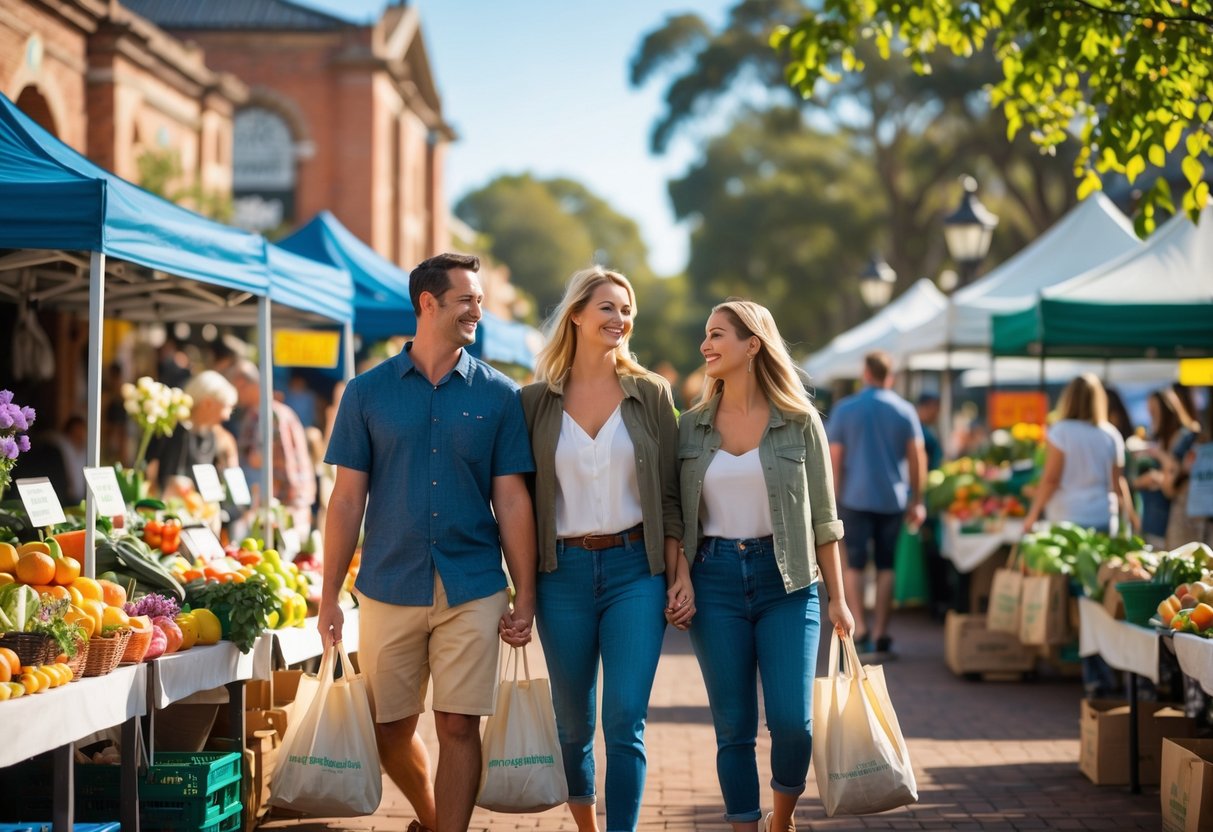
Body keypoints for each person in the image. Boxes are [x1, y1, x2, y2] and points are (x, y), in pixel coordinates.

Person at [318, 252, 537, 832]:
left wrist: (526, 592)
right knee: (389, 728)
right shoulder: (366, 394)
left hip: (472, 584)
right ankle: (435, 820)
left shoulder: (501, 396)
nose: (477, 310)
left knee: (459, 725)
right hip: (389, 582)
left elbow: (513, 500)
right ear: (428, 303)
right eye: (466, 299)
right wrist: (327, 595)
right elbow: (345, 501)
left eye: (480, 300)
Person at [520, 266, 690, 832]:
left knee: (625, 719)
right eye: (609, 308)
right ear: (576, 315)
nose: (621, 320)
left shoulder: (650, 394)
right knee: (571, 722)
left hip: (633, 573)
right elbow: (516, 502)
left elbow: (671, 495)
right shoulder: (534, 402)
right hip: (560, 573)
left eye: (627, 310)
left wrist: (676, 575)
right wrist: (520, 589)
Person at [679, 300, 852, 832]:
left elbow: (826, 519)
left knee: (792, 723)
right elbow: (671, 515)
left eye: (717, 335)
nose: (706, 345)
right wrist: (679, 576)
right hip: (714, 581)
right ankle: (743, 826)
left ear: (752, 344)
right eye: (706, 336)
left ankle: (783, 817)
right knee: (733, 726)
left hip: (789, 583)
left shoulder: (800, 425)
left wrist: (838, 600)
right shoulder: (689, 428)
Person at [827, 351, 925, 657]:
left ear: (865, 373)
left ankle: (861, 631)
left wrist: (831, 501)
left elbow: (835, 459)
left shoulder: (846, 409)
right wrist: (918, 500)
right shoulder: (905, 410)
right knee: (886, 566)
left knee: (853, 565)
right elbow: (916, 458)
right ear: (889, 375)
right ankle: (882, 632)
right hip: (892, 499)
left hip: (853, 498)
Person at [1022, 373, 1138, 537]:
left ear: (1068, 398)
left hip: (1067, 517)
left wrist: (1032, 515)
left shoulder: (1060, 431)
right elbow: (1118, 482)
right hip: (1102, 516)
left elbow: (1051, 479)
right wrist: (1130, 516)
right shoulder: (1111, 434)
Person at [228, 360, 316, 536]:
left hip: (281, 504)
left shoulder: (265, 415)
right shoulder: (281, 410)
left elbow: (259, 459)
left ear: (241, 384)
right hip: (294, 500)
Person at [146, 371, 239, 498]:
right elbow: (150, 473)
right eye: (225, 407)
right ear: (207, 404)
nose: (227, 416)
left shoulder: (213, 437)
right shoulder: (170, 429)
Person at [1134, 388, 1198, 548]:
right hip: (1152, 518)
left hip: (1175, 519)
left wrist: (1157, 454)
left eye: (1154, 411)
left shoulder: (1186, 437)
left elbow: (1175, 479)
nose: (1151, 416)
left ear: (1167, 410)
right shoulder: (1155, 438)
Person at [916, 394, 949, 618]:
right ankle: (936, 602)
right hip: (926, 500)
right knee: (932, 555)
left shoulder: (922, 429)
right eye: (936, 408)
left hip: (926, 498)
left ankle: (934, 601)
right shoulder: (921, 432)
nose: (937, 413)